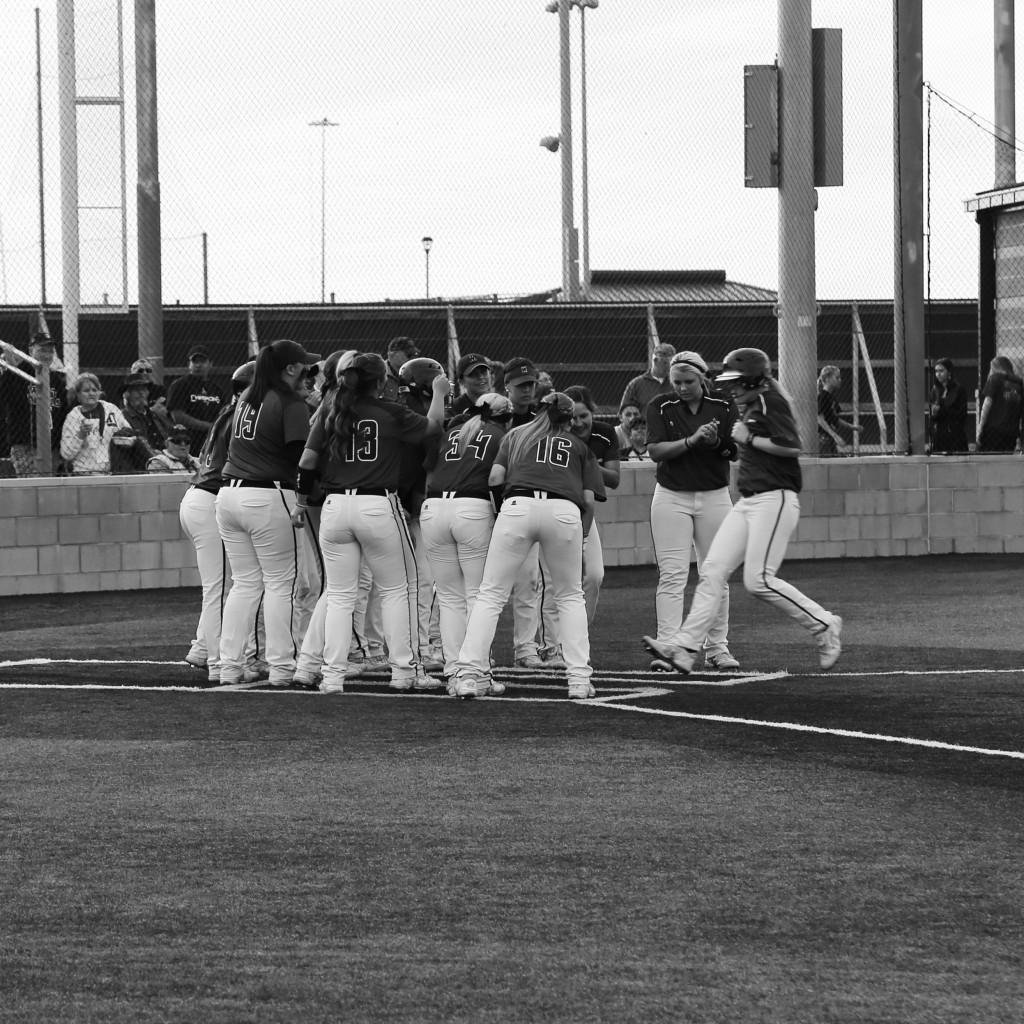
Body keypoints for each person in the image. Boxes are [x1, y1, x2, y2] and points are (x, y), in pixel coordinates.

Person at [644, 348, 843, 674]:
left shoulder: (769, 402)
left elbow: (792, 445)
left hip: (775, 497)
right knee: (712, 572)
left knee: (758, 580)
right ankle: (683, 649)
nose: (732, 389)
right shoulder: (750, 404)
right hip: (750, 500)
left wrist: (748, 437)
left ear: (753, 379)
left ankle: (823, 623)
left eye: (737, 382)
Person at [291, 352, 448, 694]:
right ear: (379, 382)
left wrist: (302, 502)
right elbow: (433, 427)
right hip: (377, 503)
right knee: (397, 590)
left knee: (339, 595)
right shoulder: (389, 411)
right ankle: (406, 672)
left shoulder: (333, 411)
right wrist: (439, 393)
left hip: (334, 507)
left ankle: (331, 676)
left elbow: (307, 460)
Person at [450, 392, 604, 700]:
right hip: (563, 511)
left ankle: (468, 674)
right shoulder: (578, 446)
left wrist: (501, 513)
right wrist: (582, 537)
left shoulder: (516, 435)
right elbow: (588, 501)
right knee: (570, 596)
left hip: (517, 506)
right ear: (568, 419)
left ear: (537, 411)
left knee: (491, 594)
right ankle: (578, 680)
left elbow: (495, 477)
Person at [215, 339, 321, 687]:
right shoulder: (289, 402)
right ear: (289, 369)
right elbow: (299, 456)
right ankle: (281, 667)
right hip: (268, 495)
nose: (308, 372)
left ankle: (229, 666)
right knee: (280, 585)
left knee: (245, 585)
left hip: (229, 495)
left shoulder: (247, 397)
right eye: (303, 366)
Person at [645, 350, 739, 672]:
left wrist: (713, 443)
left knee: (716, 574)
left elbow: (733, 450)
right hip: (672, 495)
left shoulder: (724, 406)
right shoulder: (660, 406)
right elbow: (656, 450)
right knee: (672, 575)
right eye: (676, 382)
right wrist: (692, 441)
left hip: (714, 495)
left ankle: (717, 648)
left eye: (688, 381)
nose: (682, 388)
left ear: (702, 378)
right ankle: (668, 648)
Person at [179, 360, 265, 686]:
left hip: (200, 498)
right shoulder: (242, 416)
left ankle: (202, 649)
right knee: (220, 589)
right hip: (208, 501)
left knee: (222, 587)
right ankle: (217, 663)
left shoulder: (228, 413)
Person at [420, 392, 513, 684]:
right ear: (505, 417)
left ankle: (453, 669)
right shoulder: (501, 435)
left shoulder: (453, 431)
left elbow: (429, 469)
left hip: (433, 508)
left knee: (449, 597)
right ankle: (476, 671)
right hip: (472, 507)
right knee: (478, 595)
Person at [564, 385, 619, 622]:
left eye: (584, 416)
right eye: (573, 417)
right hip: (557, 508)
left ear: (593, 413)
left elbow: (615, 479)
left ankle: (579, 636)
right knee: (552, 580)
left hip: (585, 511)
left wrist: (586, 460)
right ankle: (548, 645)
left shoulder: (604, 432)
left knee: (595, 575)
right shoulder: (558, 433)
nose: (578, 422)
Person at [0, 333, 71, 476]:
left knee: (49, 488)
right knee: (32, 485)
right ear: (31, 350)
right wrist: (10, 365)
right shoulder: (20, 373)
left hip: (52, 446)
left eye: (50, 351)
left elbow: (64, 414)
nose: (47, 355)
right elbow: (4, 393)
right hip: (25, 443)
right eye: (42, 350)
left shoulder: (57, 380)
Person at [59, 373, 133, 475]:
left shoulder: (111, 409)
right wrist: (80, 435)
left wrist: (122, 436)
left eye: (94, 390)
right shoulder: (73, 417)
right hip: (84, 473)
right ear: (78, 395)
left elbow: (128, 431)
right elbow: (66, 454)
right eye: (86, 390)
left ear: (99, 392)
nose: (91, 393)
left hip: (113, 472)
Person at [166, 346, 226, 455]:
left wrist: (215, 428)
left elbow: (223, 415)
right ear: (189, 364)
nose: (198, 365)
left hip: (212, 443)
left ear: (210, 364)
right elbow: (177, 416)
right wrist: (209, 427)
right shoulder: (180, 385)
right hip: (186, 442)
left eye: (202, 361)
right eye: (194, 361)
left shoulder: (217, 389)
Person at [120, 371, 172, 469]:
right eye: (136, 390)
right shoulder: (122, 416)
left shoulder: (155, 414)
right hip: (141, 464)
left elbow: (169, 436)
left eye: (143, 389)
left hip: (165, 459)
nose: (141, 393)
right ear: (127, 394)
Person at [976, 355, 1023, 453]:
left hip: (993, 429)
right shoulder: (1019, 383)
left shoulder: (994, 378)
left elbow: (987, 404)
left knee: (989, 459)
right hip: (1011, 431)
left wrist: (980, 427)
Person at [619, 342, 675, 417]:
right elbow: (624, 412)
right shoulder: (636, 384)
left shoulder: (676, 383)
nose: (669, 367)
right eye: (665, 363)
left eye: (672, 363)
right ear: (655, 361)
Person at [816, 365, 861, 455]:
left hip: (829, 438)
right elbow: (820, 419)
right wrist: (835, 436)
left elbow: (835, 418)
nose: (840, 380)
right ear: (827, 379)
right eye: (837, 377)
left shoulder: (832, 398)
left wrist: (852, 427)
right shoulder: (822, 397)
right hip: (823, 438)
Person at [928, 358, 969, 454]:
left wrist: (942, 410)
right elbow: (932, 415)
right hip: (939, 434)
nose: (938, 374)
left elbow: (961, 414)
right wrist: (934, 413)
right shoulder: (935, 390)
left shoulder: (959, 389)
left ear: (949, 372)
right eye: (936, 371)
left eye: (941, 371)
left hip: (954, 434)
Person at [449, 353, 494, 418]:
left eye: (483, 372)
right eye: (473, 374)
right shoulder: (454, 410)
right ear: (461, 382)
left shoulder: (499, 403)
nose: (481, 377)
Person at [380, 336, 420, 402]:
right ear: (392, 354)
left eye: (415, 355)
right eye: (409, 355)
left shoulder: (415, 374)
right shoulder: (378, 374)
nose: (413, 359)